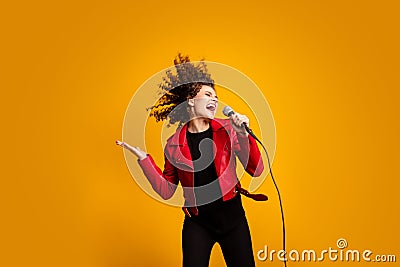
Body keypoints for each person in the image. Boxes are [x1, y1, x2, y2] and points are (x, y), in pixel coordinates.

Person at [116, 54, 266, 267]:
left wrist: (243, 134)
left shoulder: (229, 130)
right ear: (190, 101)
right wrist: (144, 159)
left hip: (233, 220)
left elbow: (256, 169)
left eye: (216, 96)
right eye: (208, 95)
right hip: (198, 224)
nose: (214, 99)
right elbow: (166, 190)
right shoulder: (173, 144)